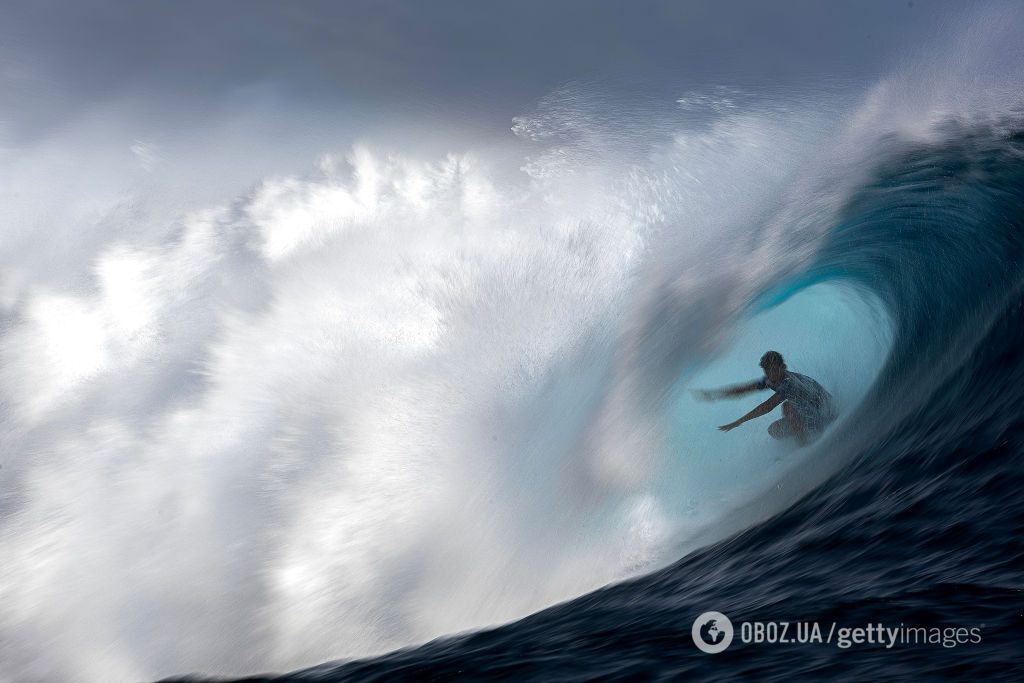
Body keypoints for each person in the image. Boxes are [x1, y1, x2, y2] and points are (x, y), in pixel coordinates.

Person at [696, 351, 836, 446]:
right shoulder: (770, 380)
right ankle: (806, 437)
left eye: (774, 369)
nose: (771, 374)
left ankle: (805, 446)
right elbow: (743, 389)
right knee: (774, 430)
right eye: (768, 371)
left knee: (787, 407)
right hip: (808, 414)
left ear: (783, 367)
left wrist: (738, 422)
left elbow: (767, 406)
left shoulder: (789, 382)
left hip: (825, 414)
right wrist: (715, 394)